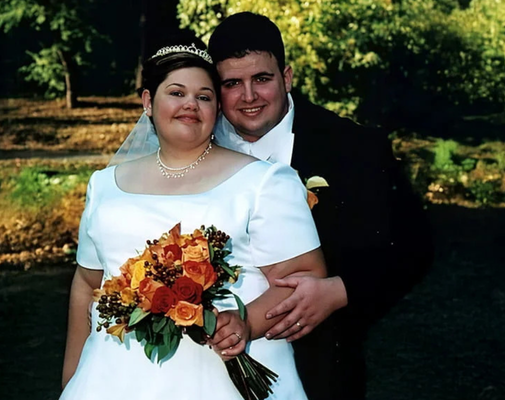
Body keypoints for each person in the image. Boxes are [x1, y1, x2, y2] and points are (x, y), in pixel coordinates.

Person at [60, 38, 327, 400]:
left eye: (204, 96)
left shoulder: (264, 181)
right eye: (176, 92)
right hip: (111, 380)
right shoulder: (104, 186)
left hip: (223, 377)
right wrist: (73, 379)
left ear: (216, 108)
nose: (191, 104)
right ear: (148, 102)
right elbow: (86, 283)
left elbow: (305, 279)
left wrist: (245, 324)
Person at [207, 12, 434, 400]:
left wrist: (340, 291)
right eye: (232, 83)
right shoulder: (196, 144)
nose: (248, 96)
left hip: (321, 362)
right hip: (207, 361)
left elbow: (414, 247)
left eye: (262, 79)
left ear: (287, 77)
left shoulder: (355, 147)